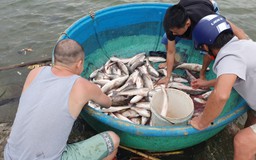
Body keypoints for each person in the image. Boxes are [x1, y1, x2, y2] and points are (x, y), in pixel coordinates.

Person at [4, 39, 120, 160]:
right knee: (113, 139)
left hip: (10, 155)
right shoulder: (82, 86)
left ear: (54, 59)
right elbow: (107, 103)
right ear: (79, 64)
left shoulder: (35, 73)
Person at [190, 14, 256, 160]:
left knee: (243, 141)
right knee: (252, 116)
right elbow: (233, 76)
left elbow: (221, 95)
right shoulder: (245, 43)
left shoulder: (230, 58)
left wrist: (202, 122)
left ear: (206, 46)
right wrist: (206, 83)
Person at [157, 0, 249, 87]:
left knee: (208, 47)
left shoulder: (206, 21)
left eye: (175, 32)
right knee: (167, 40)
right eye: (172, 31)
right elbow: (170, 51)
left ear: (187, 24)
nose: (173, 34)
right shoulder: (172, 27)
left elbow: (239, 32)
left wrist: (248, 52)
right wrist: (167, 77)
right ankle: (174, 63)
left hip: (206, 6)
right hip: (191, 5)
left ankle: (202, 72)